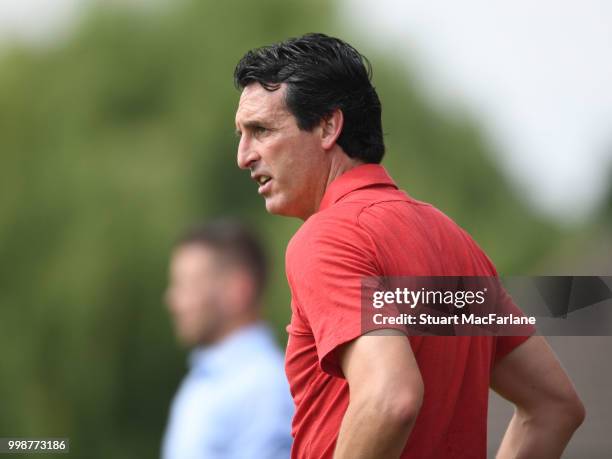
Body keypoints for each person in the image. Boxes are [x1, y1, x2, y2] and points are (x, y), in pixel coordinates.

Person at [233, 33, 585, 458]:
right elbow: (554, 406)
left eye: (261, 130)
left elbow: (390, 397)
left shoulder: (327, 238)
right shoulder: (455, 241)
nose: (244, 155)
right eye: (242, 134)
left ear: (328, 126)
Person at [161, 219, 293, 459]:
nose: (172, 301)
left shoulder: (263, 388)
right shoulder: (207, 378)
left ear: (237, 290)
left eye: (187, 286)